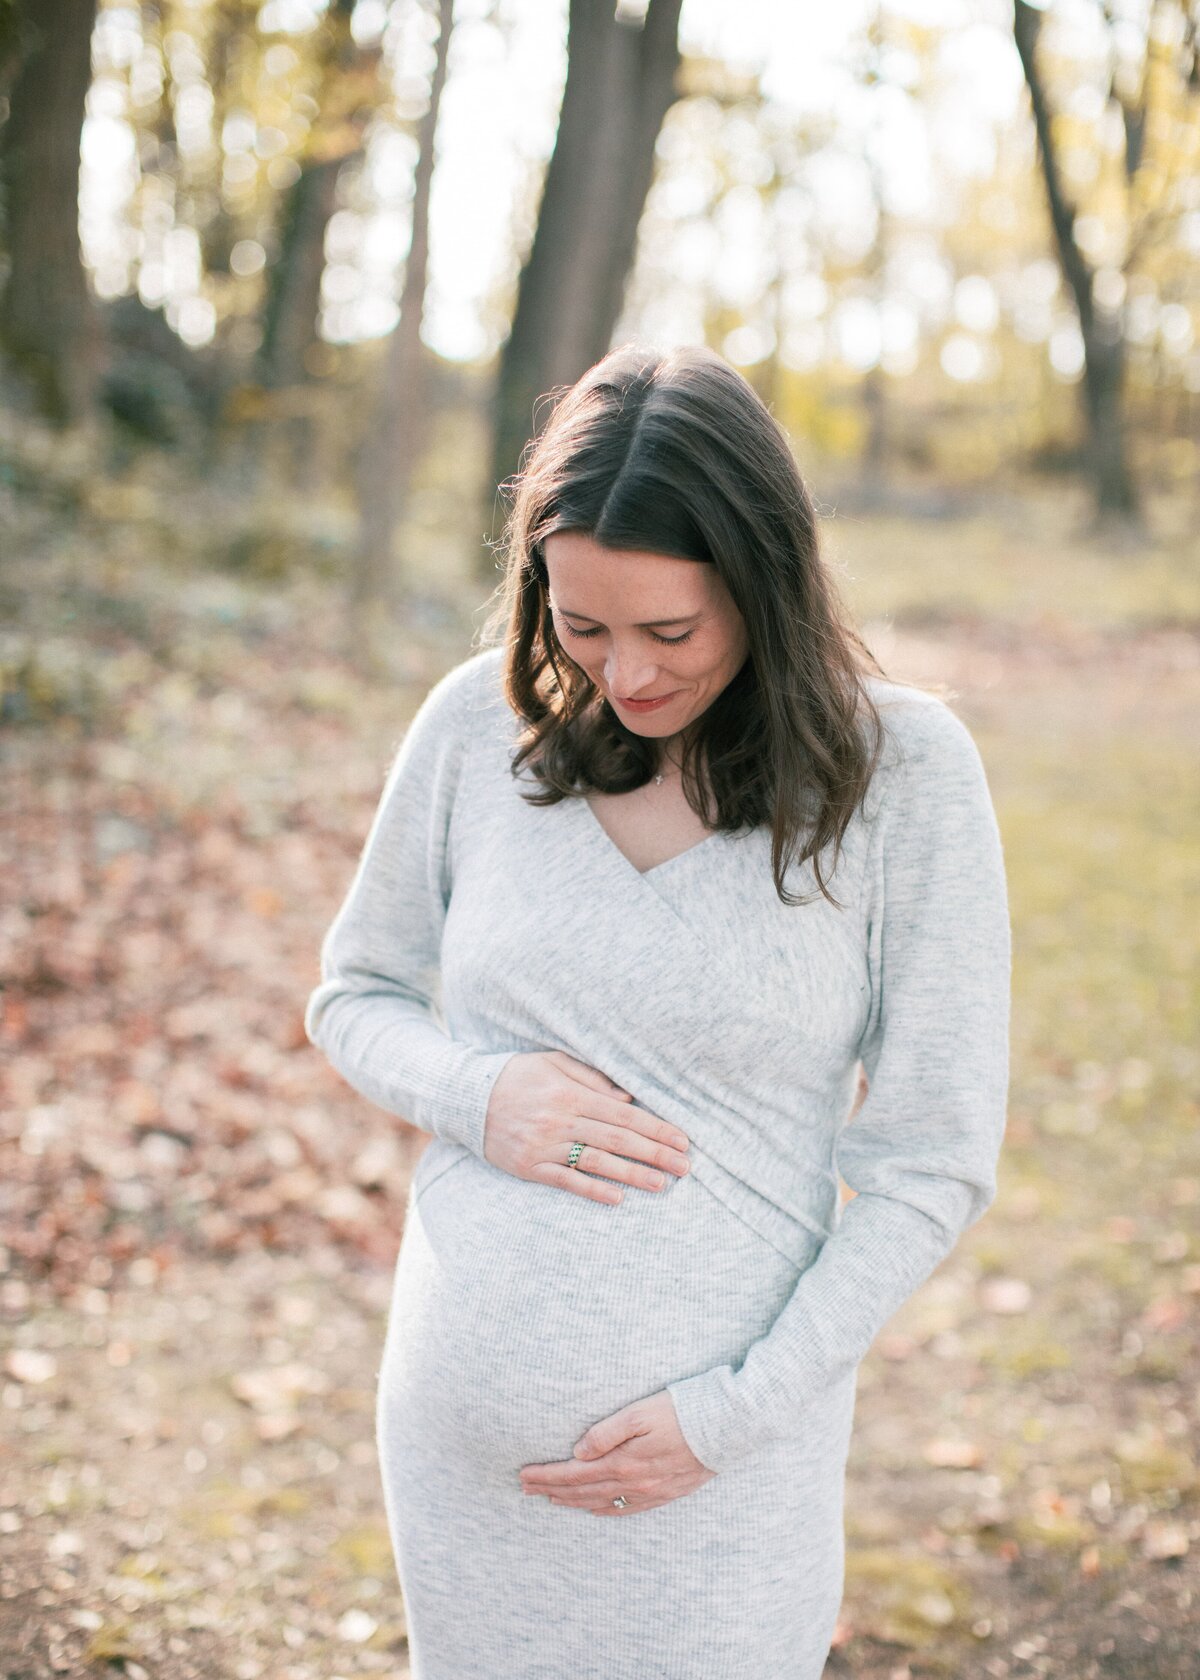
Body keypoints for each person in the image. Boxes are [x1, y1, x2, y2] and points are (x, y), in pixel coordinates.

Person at [304, 343, 1011, 1680]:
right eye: (582, 625)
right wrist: (478, 1095)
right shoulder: (476, 729)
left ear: (762, 583)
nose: (622, 673)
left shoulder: (904, 774)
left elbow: (933, 1159)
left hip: (721, 1466)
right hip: (466, 1463)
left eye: (669, 633)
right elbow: (356, 994)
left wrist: (731, 1416)